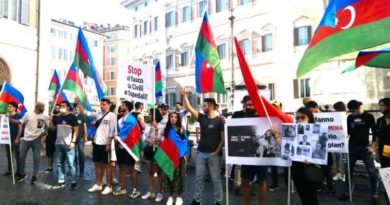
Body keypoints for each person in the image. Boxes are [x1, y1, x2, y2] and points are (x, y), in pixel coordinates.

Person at [233, 95, 281, 205]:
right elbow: (232, 129)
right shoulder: (238, 115)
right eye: (246, 105)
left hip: (261, 155)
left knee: (262, 180)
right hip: (246, 154)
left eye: (250, 105)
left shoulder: (264, 115)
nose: (248, 107)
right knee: (244, 180)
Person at [182, 88, 224, 205]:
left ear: (210, 106)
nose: (202, 107)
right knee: (199, 178)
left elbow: (223, 138)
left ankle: (218, 202)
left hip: (214, 155)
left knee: (216, 180)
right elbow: (190, 108)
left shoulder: (220, 121)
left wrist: (216, 152)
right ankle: (197, 200)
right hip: (201, 153)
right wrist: (184, 96)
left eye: (204, 105)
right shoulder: (202, 118)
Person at [339, 100, 378, 205]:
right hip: (352, 147)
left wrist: (373, 147)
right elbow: (348, 133)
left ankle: (374, 194)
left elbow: (375, 133)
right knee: (348, 170)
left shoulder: (369, 116)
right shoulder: (350, 117)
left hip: (365, 147)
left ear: (359, 107)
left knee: (372, 171)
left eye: (354, 110)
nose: (352, 112)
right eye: (351, 111)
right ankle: (348, 192)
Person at [86, 98, 117, 195]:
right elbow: (87, 113)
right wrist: (79, 104)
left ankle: (109, 186)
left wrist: (108, 143)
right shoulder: (98, 114)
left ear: (108, 105)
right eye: (101, 104)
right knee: (97, 164)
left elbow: (112, 130)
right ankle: (98, 184)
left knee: (107, 166)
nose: (101, 106)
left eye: (103, 104)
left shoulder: (112, 115)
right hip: (96, 142)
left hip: (105, 144)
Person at [14, 102, 48, 183]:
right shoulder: (28, 114)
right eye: (42, 107)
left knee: (36, 158)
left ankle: (34, 176)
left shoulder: (45, 116)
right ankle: (22, 173)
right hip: (26, 140)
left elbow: (47, 126)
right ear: (37, 107)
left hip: (37, 140)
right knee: (21, 157)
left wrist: (45, 133)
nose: (44, 109)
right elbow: (20, 122)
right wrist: (9, 119)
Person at [113, 101, 141, 197]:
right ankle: (122, 188)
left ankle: (135, 190)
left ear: (128, 107)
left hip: (130, 148)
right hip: (121, 147)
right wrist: (117, 136)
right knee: (122, 168)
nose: (121, 106)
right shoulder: (120, 119)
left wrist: (118, 137)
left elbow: (131, 134)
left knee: (133, 169)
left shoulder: (131, 119)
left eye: (123, 105)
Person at [292, 107, 320, 205]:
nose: (299, 120)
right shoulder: (293, 131)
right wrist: (277, 136)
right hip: (297, 168)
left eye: (302, 117)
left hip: (311, 169)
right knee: (303, 197)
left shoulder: (318, 131)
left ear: (309, 118)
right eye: (297, 118)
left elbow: (321, 152)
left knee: (312, 198)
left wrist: (312, 159)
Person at [51, 101, 79, 189]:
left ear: (67, 107)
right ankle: (61, 180)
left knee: (71, 164)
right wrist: (50, 121)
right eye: (61, 106)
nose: (61, 107)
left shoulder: (72, 117)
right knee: (59, 163)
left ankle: (73, 181)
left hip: (68, 144)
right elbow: (52, 128)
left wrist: (73, 142)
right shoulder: (58, 117)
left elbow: (76, 130)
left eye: (63, 106)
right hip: (58, 143)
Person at [164, 112, 189, 205]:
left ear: (178, 119)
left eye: (175, 117)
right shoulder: (166, 130)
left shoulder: (182, 129)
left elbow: (185, 143)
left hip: (180, 157)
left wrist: (187, 154)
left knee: (180, 177)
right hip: (169, 157)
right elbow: (161, 141)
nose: (173, 118)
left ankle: (179, 196)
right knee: (169, 177)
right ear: (169, 118)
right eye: (171, 117)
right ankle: (170, 196)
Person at [141, 108, 165, 202]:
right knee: (150, 172)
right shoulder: (147, 125)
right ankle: (151, 192)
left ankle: (160, 192)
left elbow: (162, 138)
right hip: (148, 149)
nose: (149, 116)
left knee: (159, 173)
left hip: (158, 150)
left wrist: (156, 131)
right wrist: (148, 139)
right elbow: (144, 137)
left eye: (150, 114)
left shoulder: (162, 126)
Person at [375, 98, 390, 204]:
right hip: (385, 150)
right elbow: (377, 137)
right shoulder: (380, 121)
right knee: (387, 175)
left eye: (382, 105)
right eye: (379, 105)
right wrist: (376, 152)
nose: (380, 108)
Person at [2, 102, 23, 177]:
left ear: (14, 108)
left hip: (15, 137)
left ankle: (19, 171)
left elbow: (20, 128)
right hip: (7, 138)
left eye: (10, 107)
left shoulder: (18, 115)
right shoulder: (6, 116)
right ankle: (10, 170)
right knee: (9, 155)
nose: (8, 108)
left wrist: (17, 138)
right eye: (8, 107)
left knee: (16, 155)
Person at [332, 101, 347, 181]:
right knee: (338, 156)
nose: (335, 111)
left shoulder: (346, 116)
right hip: (337, 138)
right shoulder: (337, 116)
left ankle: (344, 173)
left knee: (343, 157)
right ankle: (339, 173)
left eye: (336, 109)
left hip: (344, 139)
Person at [43, 104, 60, 173]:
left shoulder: (60, 117)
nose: (56, 109)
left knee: (58, 153)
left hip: (57, 136)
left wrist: (52, 121)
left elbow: (54, 128)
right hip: (50, 137)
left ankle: (60, 168)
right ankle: (50, 167)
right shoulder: (51, 116)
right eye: (56, 108)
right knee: (49, 153)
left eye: (58, 108)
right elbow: (47, 128)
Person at [73, 105, 88, 176]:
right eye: (75, 107)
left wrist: (86, 136)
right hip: (72, 138)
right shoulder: (71, 116)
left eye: (78, 107)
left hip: (80, 138)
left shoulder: (82, 116)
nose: (77, 109)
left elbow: (85, 126)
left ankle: (81, 170)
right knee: (74, 155)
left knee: (81, 154)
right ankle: (74, 169)